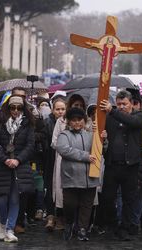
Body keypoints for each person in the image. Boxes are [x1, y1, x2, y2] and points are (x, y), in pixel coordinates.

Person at [98, 90, 142, 240]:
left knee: (129, 199)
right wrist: (103, 135)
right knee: (107, 197)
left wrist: (112, 110)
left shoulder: (140, 116)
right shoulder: (111, 117)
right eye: (118, 104)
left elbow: (131, 122)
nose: (121, 107)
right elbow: (103, 133)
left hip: (131, 166)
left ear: (132, 104)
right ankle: (113, 224)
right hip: (113, 165)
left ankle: (125, 227)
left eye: (124, 104)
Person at [0, 95, 35, 243]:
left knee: (16, 198)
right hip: (3, 164)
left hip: (20, 165)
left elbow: (30, 145)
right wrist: (5, 159)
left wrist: (18, 159)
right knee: (1, 198)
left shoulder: (28, 123)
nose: (15, 110)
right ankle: (2, 223)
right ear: (8, 108)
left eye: (19, 108)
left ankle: (10, 228)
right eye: (12, 107)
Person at [56, 107, 106, 241]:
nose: (77, 123)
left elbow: (101, 150)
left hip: (90, 177)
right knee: (70, 204)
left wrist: (103, 139)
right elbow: (63, 149)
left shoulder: (91, 134)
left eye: (80, 120)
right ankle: (69, 223)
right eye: (74, 120)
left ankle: (82, 229)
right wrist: (85, 156)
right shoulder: (64, 135)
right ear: (69, 122)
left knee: (86, 205)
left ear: (84, 121)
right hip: (71, 178)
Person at [51, 94, 87, 230]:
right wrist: (67, 145)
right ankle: (62, 219)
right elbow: (54, 142)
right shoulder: (61, 121)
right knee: (64, 193)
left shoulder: (86, 121)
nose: (77, 108)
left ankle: (80, 223)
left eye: (80, 106)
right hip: (64, 159)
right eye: (75, 105)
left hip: (82, 161)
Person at [44, 98, 66, 231]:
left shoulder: (66, 122)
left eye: (63, 109)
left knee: (61, 188)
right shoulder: (48, 122)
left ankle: (60, 217)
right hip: (49, 158)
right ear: (53, 110)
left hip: (61, 159)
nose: (60, 111)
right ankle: (51, 216)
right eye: (58, 109)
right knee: (50, 188)